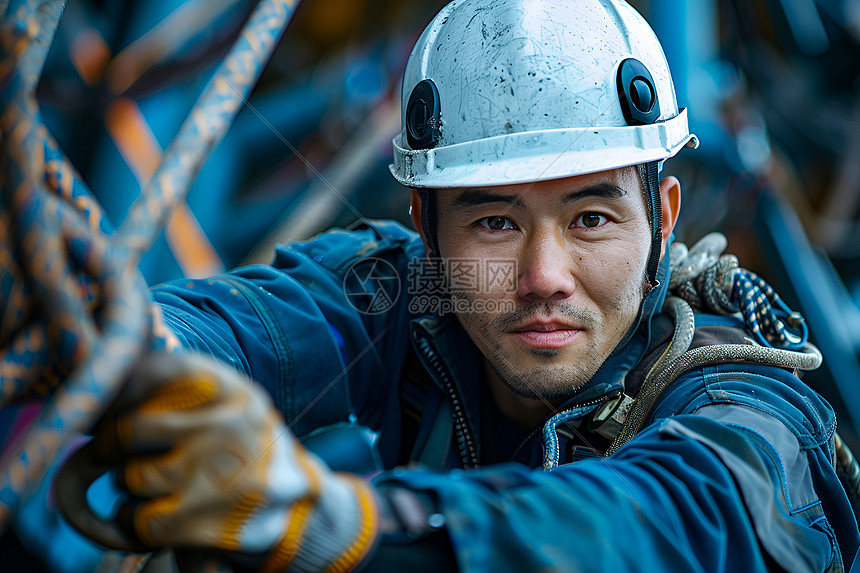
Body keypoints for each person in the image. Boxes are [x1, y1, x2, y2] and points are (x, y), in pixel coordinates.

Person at [67, 0, 860, 571]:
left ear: (665, 214)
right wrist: (130, 350)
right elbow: (242, 326)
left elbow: (670, 522)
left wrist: (347, 524)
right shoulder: (406, 294)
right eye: (494, 223)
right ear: (425, 223)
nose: (543, 278)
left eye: (590, 219)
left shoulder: (751, 404)